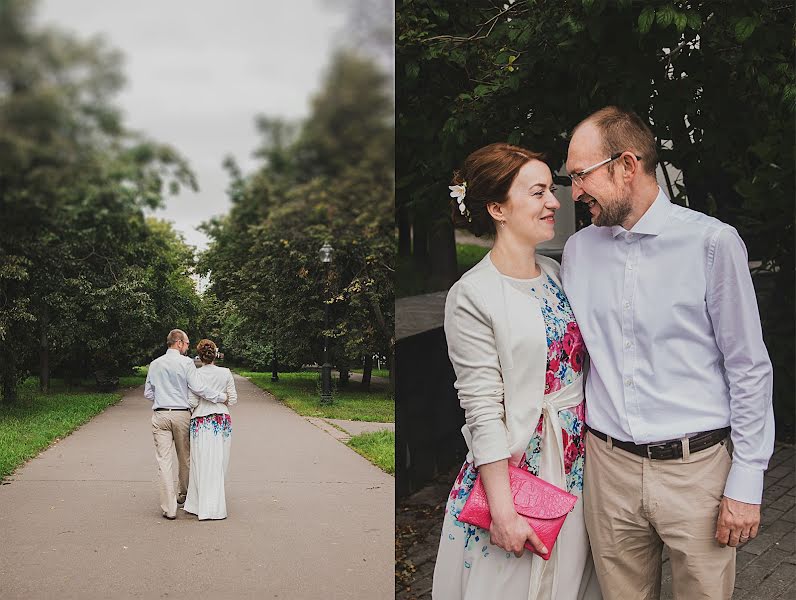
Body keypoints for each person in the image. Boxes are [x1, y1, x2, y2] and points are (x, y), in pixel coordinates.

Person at [560, 106, 775, 599]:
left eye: (581, 176)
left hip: (697, 472)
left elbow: (748, 367)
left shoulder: (713, 244)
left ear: (627, 165)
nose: (575, 193)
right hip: (607, 470)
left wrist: (747, 480)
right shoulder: (578, 251)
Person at [432, 143, 602, 600]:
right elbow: (481, 408)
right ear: (497, 208)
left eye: (552, 190)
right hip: (520, 470)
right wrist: (503, 511)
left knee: (572, 582)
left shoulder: (555, 272)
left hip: (576, 458)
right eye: (538, 192)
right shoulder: (472, 295)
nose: (553, 202)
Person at [144, 329, 228, 520]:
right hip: (182, 415)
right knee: (185, 458)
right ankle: (184, 494)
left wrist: (163, 398)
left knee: (163, 461)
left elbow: (148, 393)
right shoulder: (186, 363)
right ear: (179, 343)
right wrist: (221, 397)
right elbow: (198, 388)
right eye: (188, 343)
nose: (188, 347)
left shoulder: (155, 364)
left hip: (160, 415)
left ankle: (169, 508)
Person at [183, 338, 237, 520]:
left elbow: (192, 401)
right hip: (221, 420)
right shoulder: (226, 373)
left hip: (200, 420)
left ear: (199, 355)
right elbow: (233, 399)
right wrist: (222, 398)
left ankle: (198, 505)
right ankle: (215, 506)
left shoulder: (196, 375)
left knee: (200, 462)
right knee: (219, 462)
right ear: (215, 354)